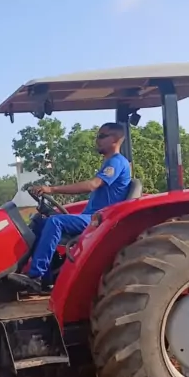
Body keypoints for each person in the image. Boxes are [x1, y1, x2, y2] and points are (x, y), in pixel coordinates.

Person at [9, 122, 131, 292]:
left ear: (115, 139)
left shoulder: (117, 162)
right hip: (90, 215)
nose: (97, 140)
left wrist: (52, 189)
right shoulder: (109, 162)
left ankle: (36, 276)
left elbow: (92, 185)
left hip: (100, 218)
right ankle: (46, 280)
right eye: (97, 136)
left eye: (102, 136)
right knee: (40, 222)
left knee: (55, 222)